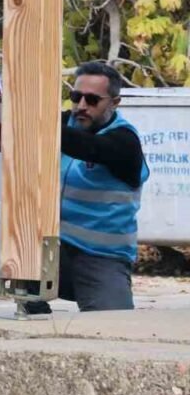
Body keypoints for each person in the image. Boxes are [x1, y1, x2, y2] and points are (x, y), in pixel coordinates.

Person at [25, 61, 149, 315]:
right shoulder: (64, 124)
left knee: (113, 327)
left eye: (92, 100)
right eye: (76, 97)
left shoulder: (124, 141)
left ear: (115, 103)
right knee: (16, 248)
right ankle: (31, 302)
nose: (81, 106)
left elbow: (90, 147)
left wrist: (39, 123)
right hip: (53, 250)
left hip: (102, 257)